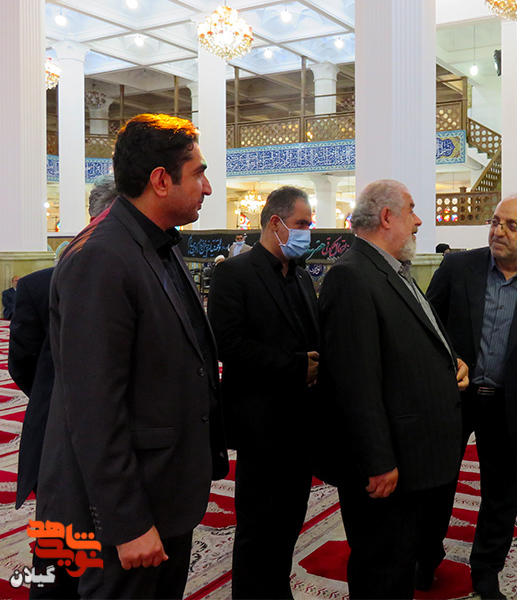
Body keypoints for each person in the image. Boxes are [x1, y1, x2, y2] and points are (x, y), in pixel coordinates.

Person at [36, 113, 228, 599]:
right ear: (161, 180)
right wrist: (127, 523)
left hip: (164, 490)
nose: (207, 188)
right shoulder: (102, 256)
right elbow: (92, 409)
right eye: (199, 174)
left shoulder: (156, 242)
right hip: (128, 511)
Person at [316, 179, 469, 599]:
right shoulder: (351, 276)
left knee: (399, 564)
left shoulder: (391, 269)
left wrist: (449, 361)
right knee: (382, 569)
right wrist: (378, 461)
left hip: (412, 456)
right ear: (387, 217)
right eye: (412, 209)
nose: (419, 221)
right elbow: (355, 381)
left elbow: (408, 342)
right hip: (386, 467)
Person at [426, 194, 517, 600]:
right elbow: (428, 327)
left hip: (506, 404)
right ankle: (424, 559)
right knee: (436, 482)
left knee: (501, 493)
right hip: (455, 398)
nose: (499, 231)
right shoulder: (458, 268)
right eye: (496, 221)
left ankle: (486, 570)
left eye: (511, 226)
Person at [9, 176, 118, 599]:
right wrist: (58, 401)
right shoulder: (40, 286)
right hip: (56, 443)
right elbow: (24, 365)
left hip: (111, 444)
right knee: (57, 562)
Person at [208, 186, 319, 599]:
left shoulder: (301, 275)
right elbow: (227, 343)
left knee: (290, 520)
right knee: (259, 527)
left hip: (301, 423)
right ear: (276, 223)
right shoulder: (235, 273)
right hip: (260, 423)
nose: (308, 231)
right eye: (302, 223)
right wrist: (295, 366)